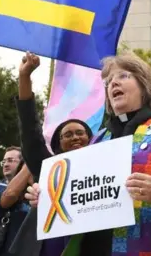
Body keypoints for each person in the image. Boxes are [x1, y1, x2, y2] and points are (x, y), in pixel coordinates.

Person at [25, 51, 151, 256]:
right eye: (108, 82)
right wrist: (47, 197)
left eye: (124, 76)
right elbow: (77, 193)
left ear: (144, 86)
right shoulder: (96, 141)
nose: (114, 83)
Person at [8, 52, 96, 256]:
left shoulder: (102, 168)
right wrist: (24, 77)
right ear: (57, 145)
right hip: (47, 245)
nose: (75, 137)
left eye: (80, 133)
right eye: (68, 135)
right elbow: (30, 131)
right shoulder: (48, 166)